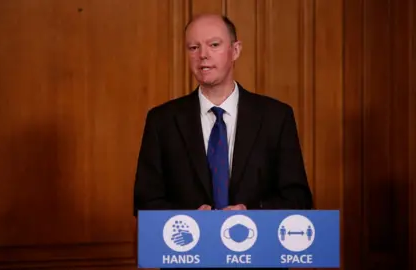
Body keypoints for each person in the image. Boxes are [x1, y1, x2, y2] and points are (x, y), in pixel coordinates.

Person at [133, 14, 313, 215]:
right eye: (194, 47)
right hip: (189, 243)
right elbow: (145, 202)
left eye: (214, 45)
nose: (203, 55)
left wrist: (250, 212)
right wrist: (188, 217)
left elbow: (298, 198)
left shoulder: (276, 117)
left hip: (256, 242)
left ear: (235, 50)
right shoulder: (162, 121)